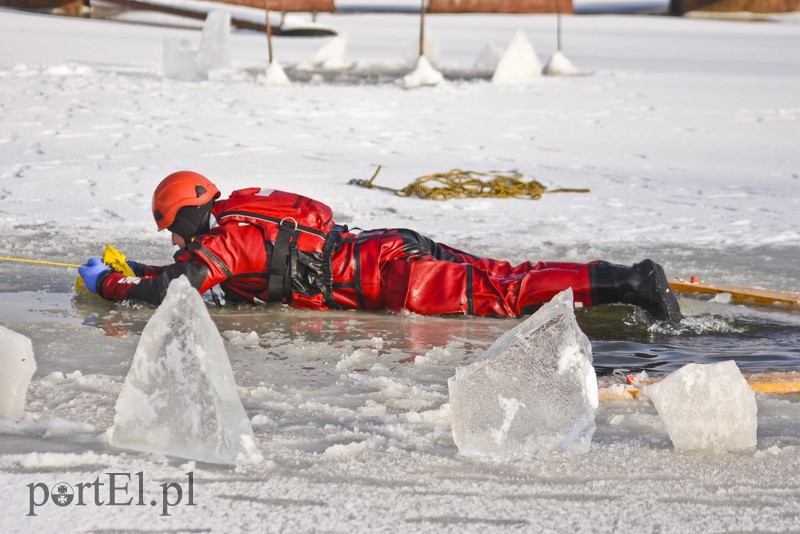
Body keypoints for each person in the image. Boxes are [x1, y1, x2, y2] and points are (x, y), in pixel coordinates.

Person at [79, 171, 681, 322]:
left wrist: (109, 284)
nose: (179, 241)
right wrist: (133, 266)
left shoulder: (229, 240)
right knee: (507, 274)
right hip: (391, 249)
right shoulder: (240, 216)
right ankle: (615, 278)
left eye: (175, 231)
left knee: (506, 292)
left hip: (395, 278)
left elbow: (172, 291)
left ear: (185, 215)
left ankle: (630, 282)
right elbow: (184, 271)